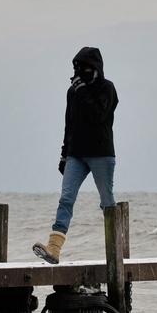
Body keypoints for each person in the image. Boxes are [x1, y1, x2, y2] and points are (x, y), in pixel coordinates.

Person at [33, 46, 119, 264]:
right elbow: (69, 125)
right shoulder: (72, 92)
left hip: (101, 154)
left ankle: (116, 247)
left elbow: (99, 116)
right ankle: (54, 248)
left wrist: (82, 92)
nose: (79, 73)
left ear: (95, 68)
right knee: (66, 198)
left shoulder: (107, 89)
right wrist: (64, 155)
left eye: (84, 68)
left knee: (107, 201)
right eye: (76, 68)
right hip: (76, 154)